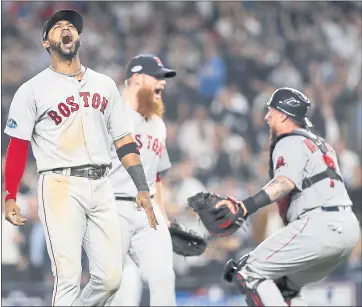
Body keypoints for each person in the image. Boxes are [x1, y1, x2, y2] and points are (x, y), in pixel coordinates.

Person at [3, 10, 157, 306]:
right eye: (58, 26)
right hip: (59, 184)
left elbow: (124, 141)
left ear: (79, 38)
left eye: (71, 26)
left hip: (102, 184)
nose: (66, 29)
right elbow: (18, 147)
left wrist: (142, 187)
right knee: (68, 275)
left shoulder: (104, 85)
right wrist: (10, 194)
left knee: (111, 278)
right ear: (46, 42)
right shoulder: (32, 90)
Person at [216, 88, 360, 306]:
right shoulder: (323, 145)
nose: (266, 117)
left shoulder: (289, 140)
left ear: (283, 115)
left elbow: (284, 183)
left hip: (319, 224)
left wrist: (245, 206)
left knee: (247, 272)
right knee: (283, 287)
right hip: (347, 229)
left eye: (270, 112)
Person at [105, 54, 177, 306]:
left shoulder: (158, 124)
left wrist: (165, 217)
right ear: (136, 79)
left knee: (163, 276)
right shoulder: (108, 112)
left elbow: (156, 174)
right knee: (120, 284)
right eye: (157, 77)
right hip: (111, 207)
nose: (163, 83)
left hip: (148, 210)